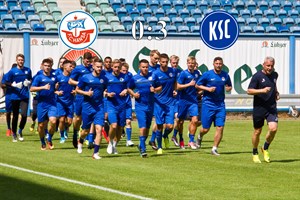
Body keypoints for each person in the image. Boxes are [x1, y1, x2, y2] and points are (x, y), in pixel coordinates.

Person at [196, 57, 232, 156]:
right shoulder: (207, 74)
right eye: (217, 63)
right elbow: (197, 85)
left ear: (222, 64)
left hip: (220, 105)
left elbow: (229, 85)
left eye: (220, 63)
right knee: (205, 128)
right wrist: (207, 89)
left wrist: (228, 88)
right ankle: (199, 136)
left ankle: (214, 148)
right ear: (213, 64)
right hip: (208, 104)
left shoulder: (225, 75)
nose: (218, 65)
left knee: (220, 127)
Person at [247, 56, 279, 163]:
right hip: (259, 108)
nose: (270, 68)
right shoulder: (257, 76)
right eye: (268, 66)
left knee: (273, 128)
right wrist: (262, 91)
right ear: (263, 65)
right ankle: (255, 152)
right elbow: (249, 91)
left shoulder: (275, 74)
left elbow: (274, 85)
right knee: (257, 131)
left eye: (272, 66)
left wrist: (276, 93)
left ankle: (265, 148)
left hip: (271, 108)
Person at [128, 59, 162, 157]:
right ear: (139, 67)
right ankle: (143, 149)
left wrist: (154, 89)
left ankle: (141, 144)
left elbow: (160, 87)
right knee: (142, 127)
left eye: (146, 67)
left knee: (147, 128)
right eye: (143, 67)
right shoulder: (135, 78)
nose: (145, 69)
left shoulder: (153, 76)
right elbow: (129, 88)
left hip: (151, 105)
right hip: (140, 106)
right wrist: (134, 94)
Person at [76, 58, 107, 159]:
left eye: (100, 67)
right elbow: (77, 90)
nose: (99, 68)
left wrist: (106, 93)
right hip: (87, 107)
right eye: (97, 67)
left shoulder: (104, 78)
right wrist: (86, 93)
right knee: (85, 130)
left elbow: (105, 89)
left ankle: (96, 153)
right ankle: (80, 140)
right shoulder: (85, 78)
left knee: (99, 129)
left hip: (99, 107)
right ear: (93, 66)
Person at [30, 58, 58, 150]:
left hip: (52, 103)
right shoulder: (38, 77)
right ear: (42, 66)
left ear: (51, 66)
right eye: (45, 66)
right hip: (41, 103)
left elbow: (54, 89)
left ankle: (49, 138)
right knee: (41, 126)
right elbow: (32, 89)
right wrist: (43, 87)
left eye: (49, 66)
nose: (47, 67)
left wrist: (56, 91)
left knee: (53, 121)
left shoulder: (54, 77)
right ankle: (42, 142)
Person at [152, 53, 177, 154]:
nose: (165, 64)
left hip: (170, 103)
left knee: (170, 126)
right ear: (159, 62)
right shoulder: (156, 74)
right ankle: (159, 147)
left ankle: (165, 136)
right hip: (159, 103)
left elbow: (175, 82)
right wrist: (155, 90)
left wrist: (175, 90)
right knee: (159, 126)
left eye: (166, 62)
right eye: (163, 62)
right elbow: (152, 88)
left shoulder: (172, 71)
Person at [5, 54, 32, 142]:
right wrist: (12, 84)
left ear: (24, 61)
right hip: (15, 96)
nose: (21, 61)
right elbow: (5, 81)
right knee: (15, 116)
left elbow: (31, 80)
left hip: (24, 96)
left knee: (24, 115)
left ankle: (20, 130)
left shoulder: (28, 70)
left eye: (22, 60)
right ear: (16, 61)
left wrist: (28, 82)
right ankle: (14, 133)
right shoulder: (12, 71)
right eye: (19, 60)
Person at [105, 59, 129, 154]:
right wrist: (107, 94)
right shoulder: (107, 77)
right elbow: (103, 90)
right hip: (111, 105)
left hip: (122, 105)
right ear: (112, 67)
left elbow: (130, 88)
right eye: (115, 67)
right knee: (113, 125)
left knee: (120, 128)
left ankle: (115, 145)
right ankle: (110, 143)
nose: (117, 69)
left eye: (119, 67)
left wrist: (126, 91)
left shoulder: (125, 77)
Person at [69, 52, 93, 148]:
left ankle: (88, 139)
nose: (88, 62)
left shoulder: (93, 68)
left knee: (90, 117)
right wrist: (81, 83)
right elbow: (70, 81)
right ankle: (75, 133)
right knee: (78, 118)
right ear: (83, 60)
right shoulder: (78, 69)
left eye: (89, 60)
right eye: (86, 60)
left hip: (90, 96)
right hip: (80, 96)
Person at [176, 56, 201, 149]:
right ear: (187, 64)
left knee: (195, 120)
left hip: (193, 101)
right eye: (189, 63)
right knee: (180, 122)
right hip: (183, 100)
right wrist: (189, 84)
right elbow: (178, 87)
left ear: (195, 64)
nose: (191, 65)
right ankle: (181, 138)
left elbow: (198, 85)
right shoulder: (183, 74)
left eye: (192, 63)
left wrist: (200, 90)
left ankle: (191, 141)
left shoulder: (197, 73)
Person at [56, 60, 75, 143]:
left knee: (70, 122)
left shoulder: (73, 78)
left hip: (70, 102)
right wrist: (57, 91)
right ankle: (62, 135)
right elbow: (53, 88)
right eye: (70, 66)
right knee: (62, 119)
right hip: (60, 102)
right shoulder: (59, 77)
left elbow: (78, 87)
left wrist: (75, 91)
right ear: (65, 67)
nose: (72, 68)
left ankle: (65, 129)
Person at [169, 55, 182, 147]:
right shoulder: (167, 72)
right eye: (173, 63)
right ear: (170, 62)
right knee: (166, 124)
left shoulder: (180, 73)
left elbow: (181, 85)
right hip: (167, 101)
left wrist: (177, 91)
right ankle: (164, 136)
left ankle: (174, 136)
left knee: (178, 119)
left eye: (176, 63)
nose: (175, 64)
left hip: (177, 100)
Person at [1, 63, 17, 137]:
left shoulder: (19, 75)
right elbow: (2, 85)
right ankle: (8, 128)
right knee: (8, 112)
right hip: (9, 96)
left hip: (17, 96)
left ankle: (14, 130)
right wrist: (10, 84)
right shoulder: (7, 75)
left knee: (15, 113)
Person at [120, 62, 134, 147]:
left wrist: (128, 91)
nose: (125, 72)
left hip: (127, 102)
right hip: (118, 103)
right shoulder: (116, 78)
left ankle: (128, 140)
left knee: (128, 121)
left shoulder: (129, 76)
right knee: (119, 124)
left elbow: (132, 86)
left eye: (126, 70)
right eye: (123, 70)